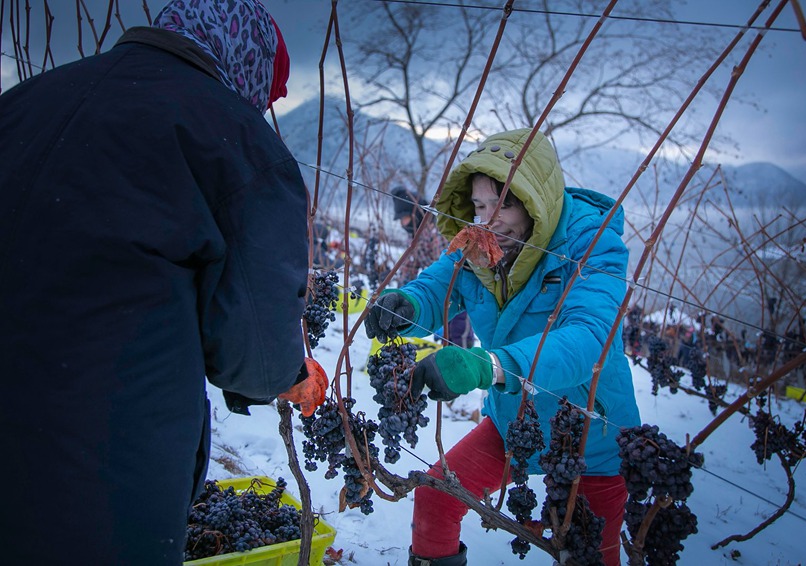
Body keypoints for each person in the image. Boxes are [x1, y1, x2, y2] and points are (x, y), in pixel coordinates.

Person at [0, 1, 326, 564]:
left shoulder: (25, 101)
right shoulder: (238, 142)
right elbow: (256, 351)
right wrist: (289, 373)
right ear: (243, 61)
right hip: (101, 457)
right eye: (264, 97)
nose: (259, 110)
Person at [365, 129, 641, 566]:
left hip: (593, 440)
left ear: (537, 200)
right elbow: (442, 284)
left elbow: (590, 338)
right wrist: (410, 303)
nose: (488, 219)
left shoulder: (593, 242)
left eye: (504, 203)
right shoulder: (481, 243)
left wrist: (490, 365)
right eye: (478, 205)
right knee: (437, 499)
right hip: (515, 425)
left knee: (592, 554)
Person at [391, 185, 475, 348]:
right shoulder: (415, 237)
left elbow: (445, 268)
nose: (402, 224)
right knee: (447, 333)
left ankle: (462, 357)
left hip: (454, 289)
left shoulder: (435, 233)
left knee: (458, 330)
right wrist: (402, 295)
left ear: (415, 214)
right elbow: (410, 265)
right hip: (436, 290)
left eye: (404, 218)